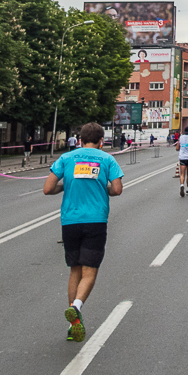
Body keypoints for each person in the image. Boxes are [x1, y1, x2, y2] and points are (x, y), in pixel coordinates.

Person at [43, 122, 124, 343]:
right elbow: (117, 189)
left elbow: (48, 188)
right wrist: (102, 188)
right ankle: (77, 307)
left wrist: (65, 187)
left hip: (70, 221)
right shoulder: (107, 159)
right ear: (101, 141)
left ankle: (73, 325)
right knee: (90, 272)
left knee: (74, 270)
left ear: (79, 139)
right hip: (95, 220)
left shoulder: (66, 158)